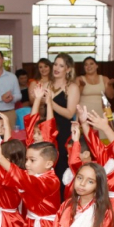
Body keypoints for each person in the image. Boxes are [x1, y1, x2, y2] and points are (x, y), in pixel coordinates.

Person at [48, 54, 81, 196]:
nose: (56, 68)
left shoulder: (72, 87)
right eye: (55, 64)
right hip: (48, 128)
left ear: (68, 69)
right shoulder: (47, 84)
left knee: (61, 164)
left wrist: (50, 101)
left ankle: (62, 199)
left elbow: (69, 113)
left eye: (61, 66)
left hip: (63, 131)